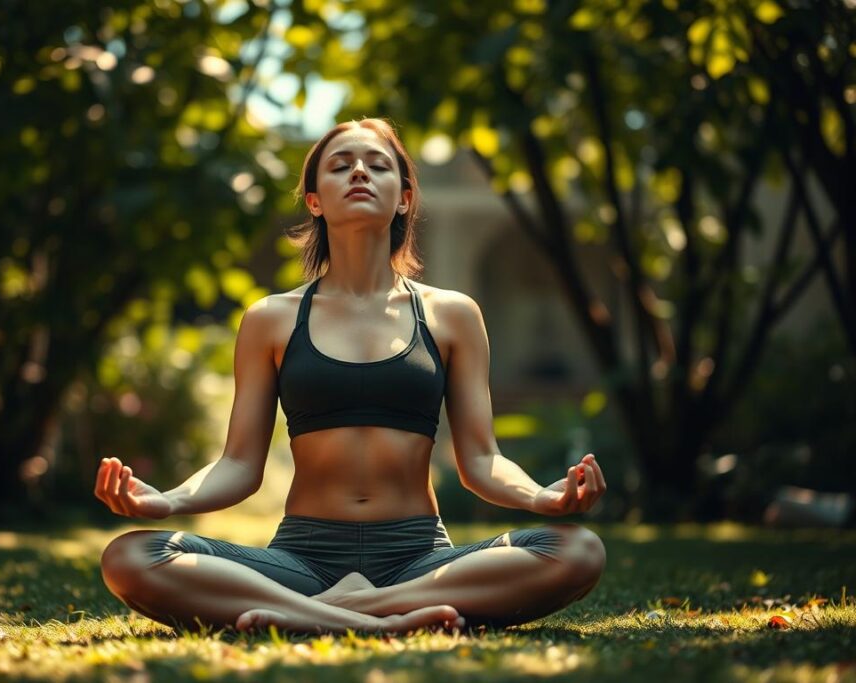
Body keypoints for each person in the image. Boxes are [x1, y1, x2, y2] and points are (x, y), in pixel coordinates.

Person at [95, 118, 607, 635]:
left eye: (377, 165)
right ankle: (384, 621)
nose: (359, 172)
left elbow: (480, 460)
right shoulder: (271, 318)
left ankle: (329, 615)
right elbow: (239, 464)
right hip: (301, 559)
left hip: (419, 559)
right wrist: (168, 501)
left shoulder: (453, 315)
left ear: (404, 198)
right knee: (131, 556)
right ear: (315, 200)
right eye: (340, 166)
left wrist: (543, 497)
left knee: (577, 550)